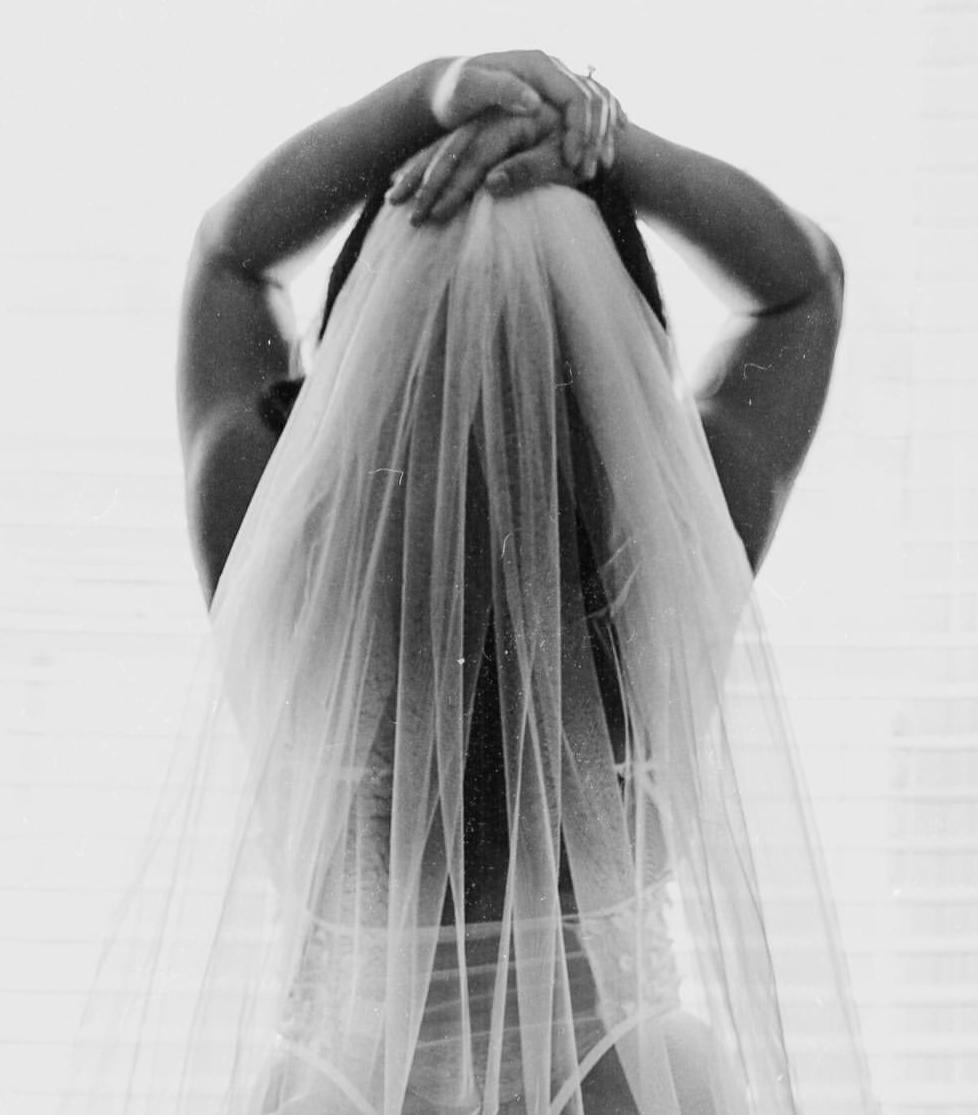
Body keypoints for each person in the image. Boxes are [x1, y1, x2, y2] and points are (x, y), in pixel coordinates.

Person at [68, 52, 876, 1115]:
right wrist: (606, 146)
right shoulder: (673, 519)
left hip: (352, 1082)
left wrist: (427, 99)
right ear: (615, 347)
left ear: (359, 334)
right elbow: (807, 286)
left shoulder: (276, 518)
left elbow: (229, 257)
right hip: (619, 1071)